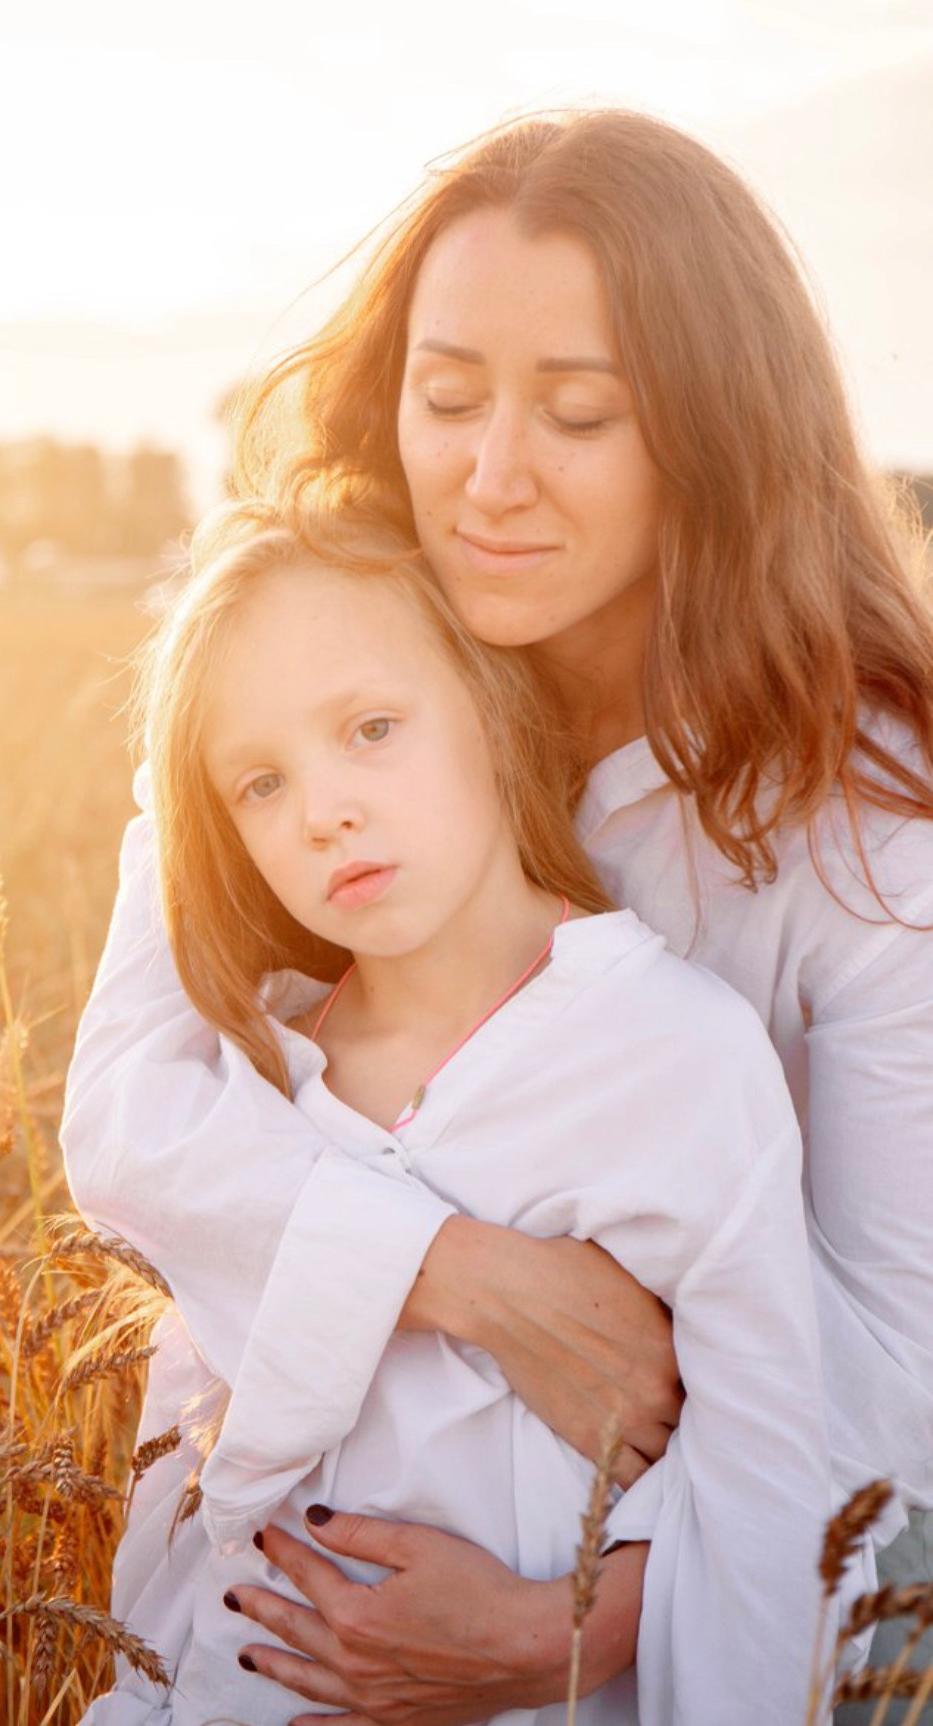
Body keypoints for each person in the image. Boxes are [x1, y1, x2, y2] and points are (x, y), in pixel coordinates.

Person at [62, 108, 933, 1722]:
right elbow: (129, 1112)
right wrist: (455, 1271)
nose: (488, 476)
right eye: (446, 397)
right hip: (280, 1604)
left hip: (674, 1589)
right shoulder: (323, 653)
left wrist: (576, 1621)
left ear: (716, 440)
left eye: (579, 414)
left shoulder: (868, 827)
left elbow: (898, 1366)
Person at [79, 498, 835, 1725]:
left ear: (491, 704)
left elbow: (766, 1506)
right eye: (260, 783)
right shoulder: (249, 1086)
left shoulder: (679, 1054)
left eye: (373, 728)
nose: (323, 809)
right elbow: (180, 1537)